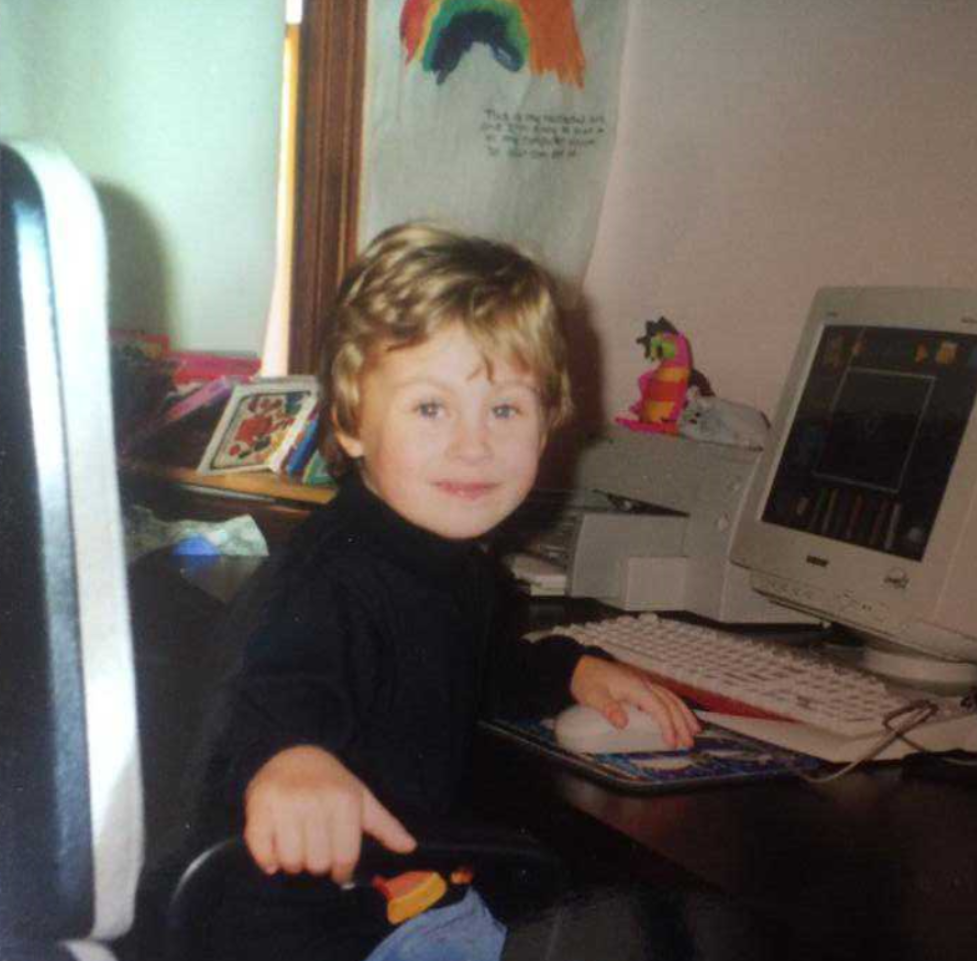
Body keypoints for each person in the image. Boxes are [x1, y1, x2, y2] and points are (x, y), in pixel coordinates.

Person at [168, 223, 699, 961]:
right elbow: (270, 689)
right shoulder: (333, 578)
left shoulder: (444, 562)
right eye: (430, 408)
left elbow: (466, 667)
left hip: (402, 895)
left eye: (506, 409)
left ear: (548, 425)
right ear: (351, 422)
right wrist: (290, 757)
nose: (473, 445)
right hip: (314, 934)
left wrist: (569, 669)